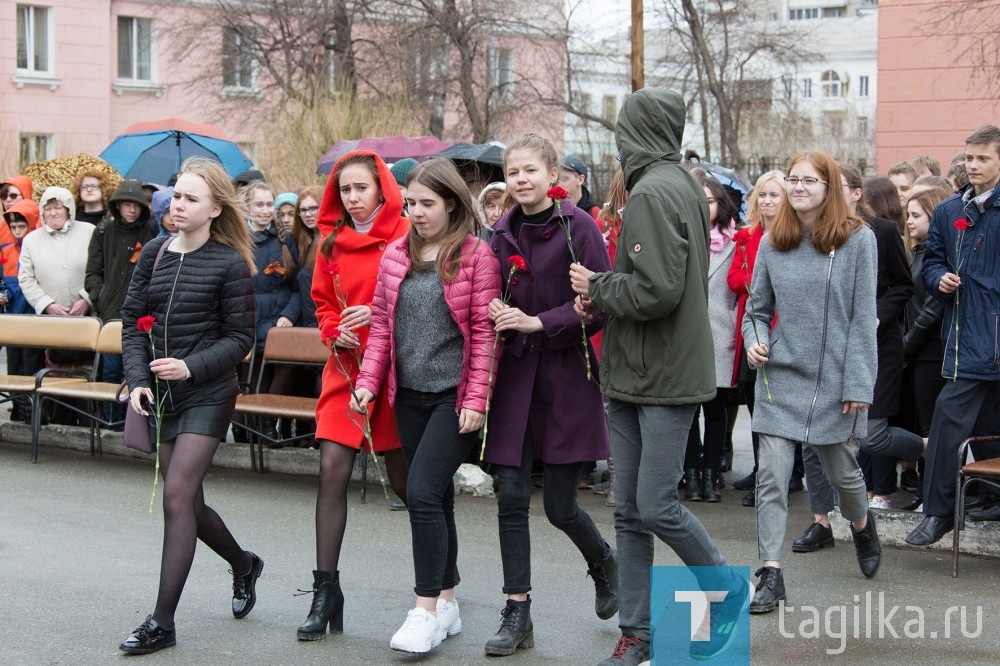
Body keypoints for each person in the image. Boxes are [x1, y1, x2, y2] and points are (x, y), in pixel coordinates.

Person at [570, 88, 748, 665]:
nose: (619, 141)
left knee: (651, 504)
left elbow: (656, 289)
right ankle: (638, 633)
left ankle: (725, 590)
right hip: (638, 367)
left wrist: (596, 287)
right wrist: (608, 297)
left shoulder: (652, 190)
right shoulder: (682, 184)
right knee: (629, 508)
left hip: (661, 372)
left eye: (624, 129)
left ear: (638, 133)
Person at [350, 158, 499, 653]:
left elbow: (482, 336)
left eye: (426, 204)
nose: (415, 212)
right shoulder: (396, 255)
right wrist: (369, 382)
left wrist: (476, 398)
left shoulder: (477, 257)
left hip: (452, 400)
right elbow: (381, 330)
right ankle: (450, 601)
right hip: (407, 397)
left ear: (452, 203)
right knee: (437, 498)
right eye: (410, 202)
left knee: (420, 492)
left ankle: (424, 609)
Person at [116, 157, 260, 655]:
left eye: (190, 198)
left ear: (215, 209)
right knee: (190, 504)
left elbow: (241, 338)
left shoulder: (229, 263)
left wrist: (191, 366)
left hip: (209, 392)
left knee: (177, 493)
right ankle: (243, 563)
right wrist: (136, 379)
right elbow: (132, 319)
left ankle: (162, 622)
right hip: (161, 396)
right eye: (176, 195)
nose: (178, 205)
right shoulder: (155, 251)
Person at [483, 133, 615, 658]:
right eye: (513, 172)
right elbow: (486, 289)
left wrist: (542, 321)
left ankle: (603, 560)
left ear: (553, 174)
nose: (521, 180)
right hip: (515, 378)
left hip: (566, 376)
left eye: (530, 170)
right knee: (510, 496)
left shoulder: (579, 226)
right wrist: (492, 308)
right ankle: (518, 611)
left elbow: (601, 299)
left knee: (561, 506)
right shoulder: (499, 231)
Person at [742, 152, 882, 614]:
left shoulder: (859, 240)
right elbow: (757, 312)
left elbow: (864, 318)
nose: (798, 187)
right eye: (792, 179)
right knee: (771, 477)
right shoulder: (772, 241)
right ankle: (770, 573)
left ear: (830, 187)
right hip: (780, 378)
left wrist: (860, 384)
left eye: (809, 180)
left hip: (838, 380)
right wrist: (755, 341)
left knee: (843, 474)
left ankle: (862, 526)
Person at [296, 150, 410, 640]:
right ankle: (325, 592)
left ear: (382, 189)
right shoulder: (331, 243)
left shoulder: (408, 234)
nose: (353, 197)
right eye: (345, 189)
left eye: (361, 187)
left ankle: (441, 582)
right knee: (331, 472)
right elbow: (322, 302)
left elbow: (427, 298)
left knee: (409, 486)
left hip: (394, 374)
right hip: (345, 369)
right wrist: (331, 329)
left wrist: (379, 315)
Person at [791, 164, 921, 555]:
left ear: (856, 193)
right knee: (812, 439)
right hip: (823, 350)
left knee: (868, 433)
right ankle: (821, 521)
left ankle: (929, 448)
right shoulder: (810, 233)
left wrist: (875, 313)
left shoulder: (877, 232)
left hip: (875, 345)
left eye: (835, 187)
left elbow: (903, 285)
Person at [906, 125, 1000, 546]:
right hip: (966, 342)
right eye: (970, 157)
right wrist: (938, 276)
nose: (973, 165)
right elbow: (933, 260)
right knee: (948, 423)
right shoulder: (947, 211)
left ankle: (978, 504)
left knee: (990, 428)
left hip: (992, 336)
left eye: (983, 158)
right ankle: (940, 512)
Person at [728, 170, 786, 508]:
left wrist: (760, 283)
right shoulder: (747, 235)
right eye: (762, 195)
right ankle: (760, 467)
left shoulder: (791, 236)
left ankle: (783, 474)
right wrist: (755, 283)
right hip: (751, 324)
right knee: (754, 400)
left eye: (773, 195)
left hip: (780, 328)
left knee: (777, 403)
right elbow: (734, 277)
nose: (766, 201)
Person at [682, 177, 738, 503]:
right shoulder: (683, 238)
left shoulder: (734, 244)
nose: (705, 206)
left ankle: (711, 475)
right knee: (688, 412)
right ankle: (690, 474)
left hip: (720, 334)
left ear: (721, 203)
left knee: (716, 412)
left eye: (711, 200)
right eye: (698, 200)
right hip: (687, 336)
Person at [900, 186, 953, 511]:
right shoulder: (918, 253)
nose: (908, 221)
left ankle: (932, 497)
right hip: (917, 350)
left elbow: (933, 306)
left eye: (916, 215)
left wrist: (908, 346)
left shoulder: (940, 257)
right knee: (923, 425)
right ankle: (925, 490)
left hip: (931, 351)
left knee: (932, 427)